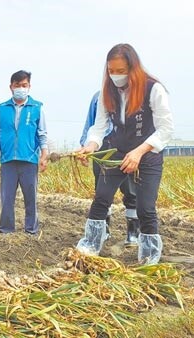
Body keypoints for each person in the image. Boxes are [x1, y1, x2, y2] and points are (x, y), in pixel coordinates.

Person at [76, 43, 174, 264]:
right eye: (111, 71)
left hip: (147, 153)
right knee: (101, 198)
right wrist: (91, 146)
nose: (116, 76)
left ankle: (148, 257)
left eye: (121, 71)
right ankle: (90, 246)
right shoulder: (106, 92)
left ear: (133, 68)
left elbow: (166, 128)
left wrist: (139, 152)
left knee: (145, 207)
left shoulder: (153, 89)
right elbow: (100, 126)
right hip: (117, 150)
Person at [0, 70, 48, 235]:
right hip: (8, 160)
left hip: (29, 159)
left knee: (31, 198)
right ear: (11, 87)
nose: (20, 88)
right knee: (6, 199)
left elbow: (42, 134)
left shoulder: (37, 108)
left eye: (24, 85)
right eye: (17, 85)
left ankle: (31, 230)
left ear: (29, 87)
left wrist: (44, 155)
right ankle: (6, 230)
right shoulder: (2, 108)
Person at [80, 91, 139, 247]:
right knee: (102, 191)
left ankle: (133, 233)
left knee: (131, 189)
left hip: (128, 148)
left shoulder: (135, 95)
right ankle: (102, 230)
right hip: (103, 147)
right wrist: (84, 147)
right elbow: (91, 123)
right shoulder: (99, 97)